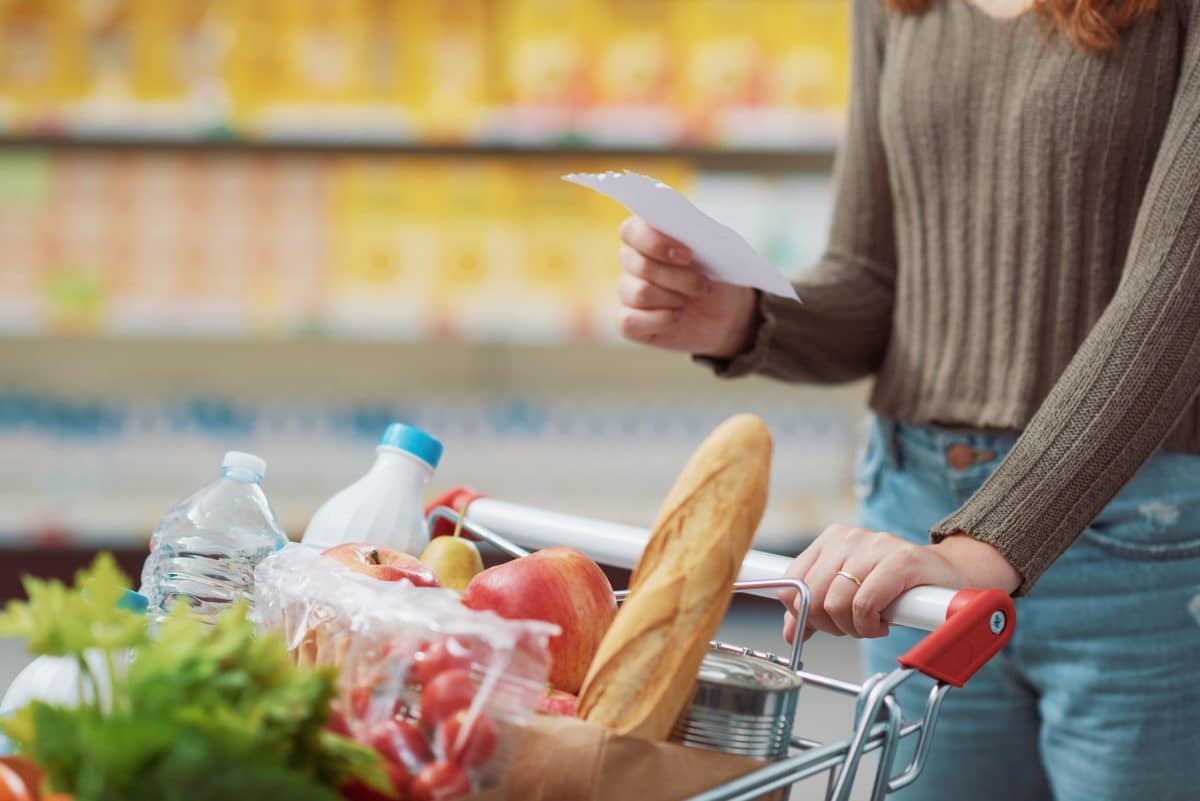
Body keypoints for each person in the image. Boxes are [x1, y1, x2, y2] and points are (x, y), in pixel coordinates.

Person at [613, 0, 1200, 798]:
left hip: (1137, 535)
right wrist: (747, 314)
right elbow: (874, 277)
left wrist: (973, 550)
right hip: (914, 507)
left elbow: (1177, 302)